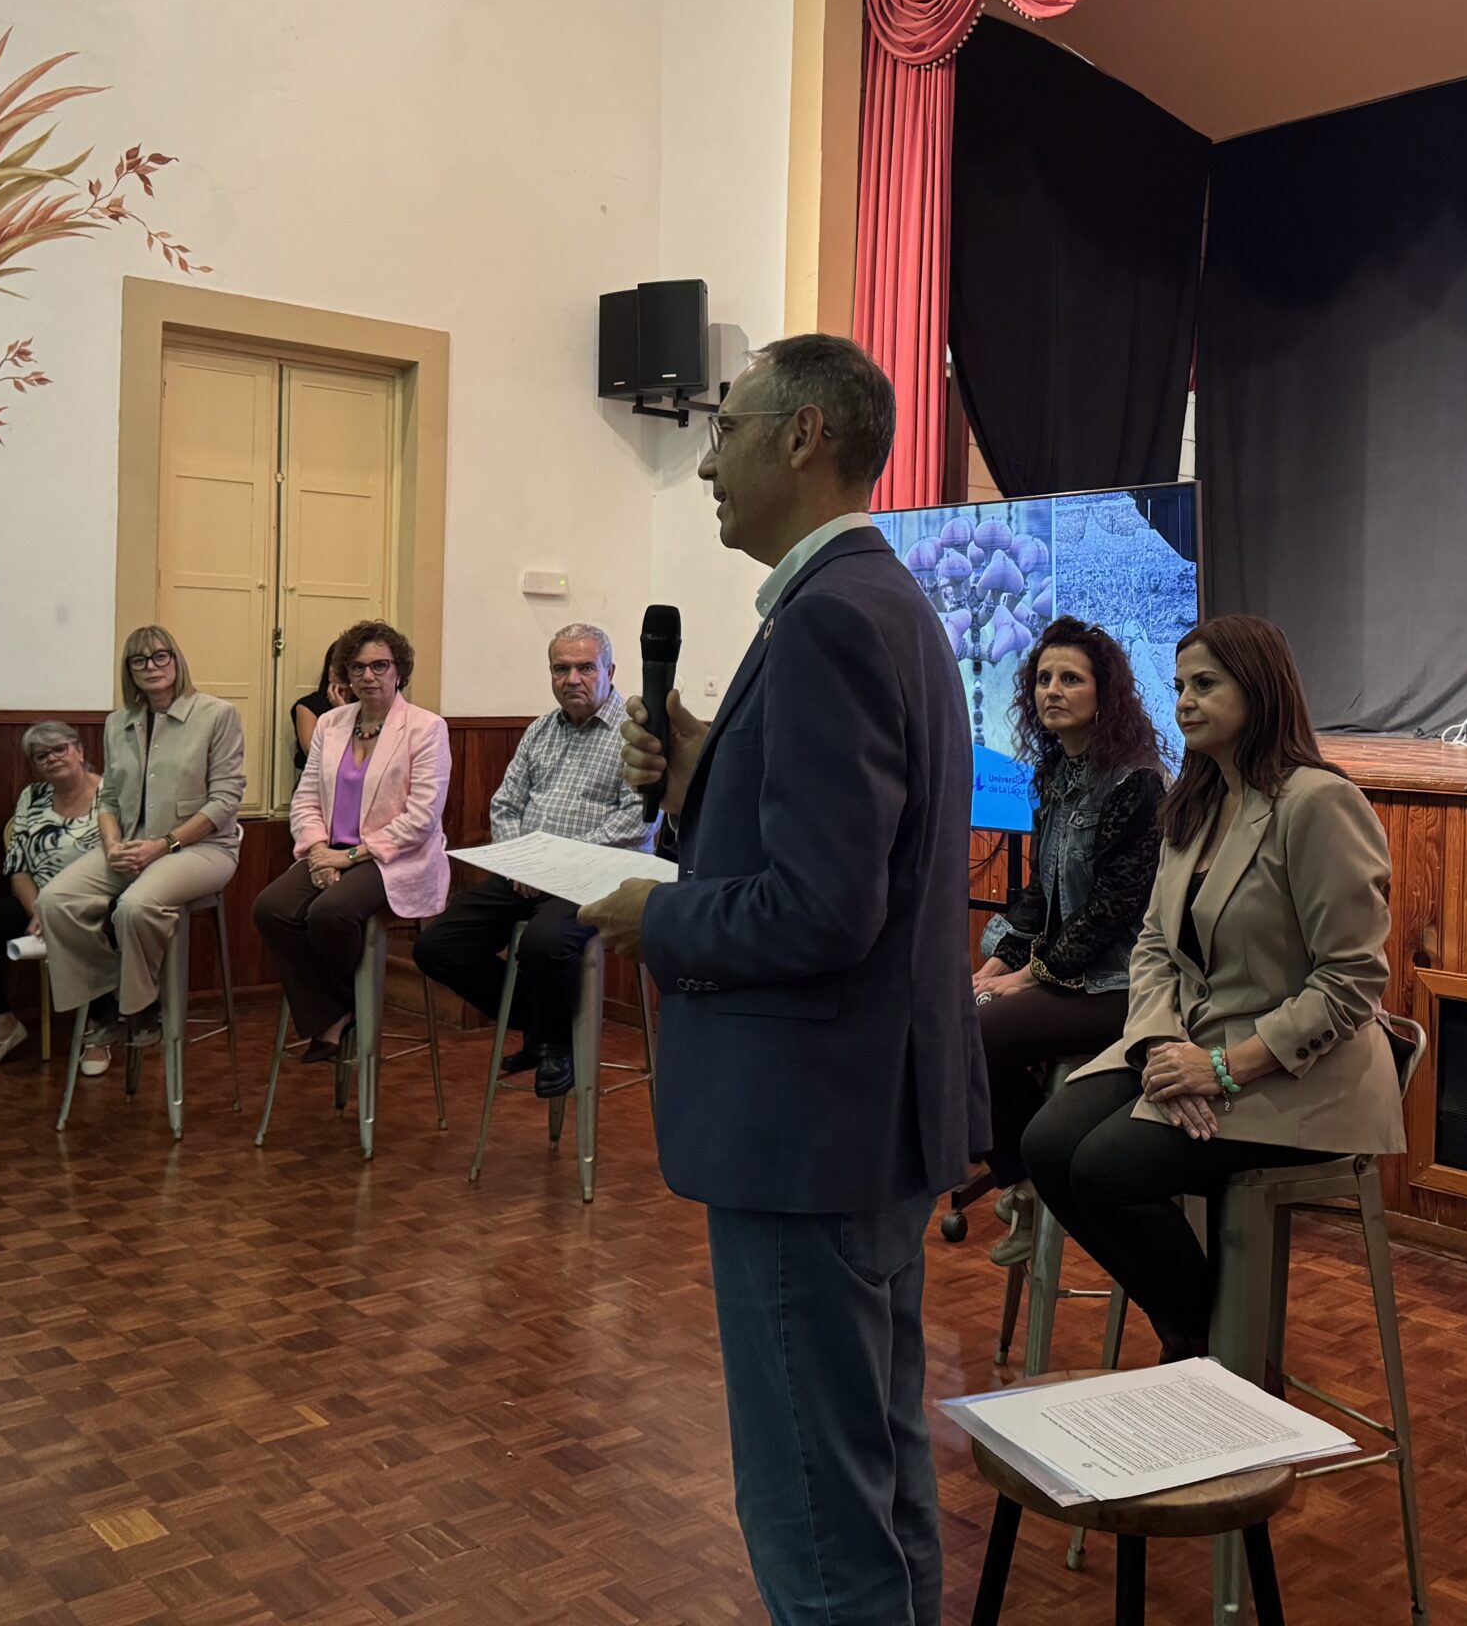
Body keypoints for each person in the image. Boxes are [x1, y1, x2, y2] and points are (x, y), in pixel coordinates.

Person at [580, 333, 987, 1626]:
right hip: (865, 1114)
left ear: (803, 436)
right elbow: (848, 847)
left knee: (814, 1507)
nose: (706, 464)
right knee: (876, 1472)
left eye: (727, 429)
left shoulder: (828, 622)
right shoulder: (879, 601)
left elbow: (822, 908)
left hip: (810, 1126)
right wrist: (703, 758)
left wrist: (661, 916)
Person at [1021, 613, 1403, 1365]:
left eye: (1205, 685)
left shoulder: (1319, 803)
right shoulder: (1195, 800)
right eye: (1178, 687)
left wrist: (1223, 1068)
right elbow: (1154, 946)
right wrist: (1160, 1044)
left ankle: (1210, 1355)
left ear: (1258, 691)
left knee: (1104, 1171)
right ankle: (1201, 1342)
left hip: (1295, 1070)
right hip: (1188, 1042)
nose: (1185, 702)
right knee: (1047, 1144)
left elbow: (1351, 981)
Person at [971, 616, 1167, 1266]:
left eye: (1071, 679)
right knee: (959, 1008)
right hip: (1068, 976)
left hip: (1121, 987)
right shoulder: (1056, 772)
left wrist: (1025, 978)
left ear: (1104, 692)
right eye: (1044, 678)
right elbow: (1038, 895)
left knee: (973, 1031)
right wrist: (999, 961)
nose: (1052, 690)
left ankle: (1031, 1184)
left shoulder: (1136, 782)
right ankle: (1026, 1183)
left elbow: (1111, 912)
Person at [413, 622, 646, 1098]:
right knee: (438, 945)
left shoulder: (636, 736)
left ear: (610, 671)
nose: (572, 679)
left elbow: (636, 823)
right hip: (526, 875)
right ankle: (540, 1023)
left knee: (544, 943)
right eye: (561, 669)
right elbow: (505, 804)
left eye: (585, 667)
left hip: (595, 876)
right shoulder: (540, 730)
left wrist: (556, 866)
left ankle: (554, 1045)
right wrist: (521, 864)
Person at [39, 625, 245, 1075]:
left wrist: (164, 844)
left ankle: (140, 1008)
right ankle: (110, 998)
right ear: (129, 670)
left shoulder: (216, 715)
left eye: (159, 656)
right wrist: (112, 843)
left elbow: (225, 801)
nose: (151, 667)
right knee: (55, 900)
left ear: (176, 660)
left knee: (133, 907)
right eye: (139, 660)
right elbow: (109, 797)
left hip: (202, 848)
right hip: (133, 843)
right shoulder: (118, 722)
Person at [254, 619, 450, 1060]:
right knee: (271, 908)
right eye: (357, 668)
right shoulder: (331, 724)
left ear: (399, 670)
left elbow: (422, 817)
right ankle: (338, 1008)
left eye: (380, 666)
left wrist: (350, 858)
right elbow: (306, 798)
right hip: (330, 850)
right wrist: (317, 850)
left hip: (394, 857)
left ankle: (340, 1007)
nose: (368, 676)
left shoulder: (426, 728)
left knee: (330, 913)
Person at [0, 721, 103, 1070]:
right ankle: (4, 1022)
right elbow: (18, 867)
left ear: (80, 751)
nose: (52, 759)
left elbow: (118, 861)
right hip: (38, 901)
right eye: (41, 756)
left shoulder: (111, 794)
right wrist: (37, 910)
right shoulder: (32, 796)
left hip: (94, 899)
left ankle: (98, 1029)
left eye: (60, 749)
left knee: (107, 926)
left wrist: (58, 909)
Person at [291, 635, 352, 772]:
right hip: (318, 778)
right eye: (335, 664)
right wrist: (340, 713)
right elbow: (314, 755)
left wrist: (343, 709)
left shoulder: (366, 706)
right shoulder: (308, 706)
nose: (339, 671)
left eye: (347, 666)